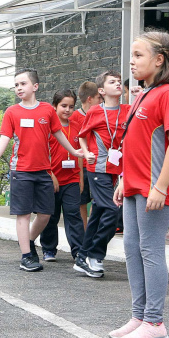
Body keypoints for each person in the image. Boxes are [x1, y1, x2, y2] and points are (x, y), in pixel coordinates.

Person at [109, 32, 169, 338]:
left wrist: (161, 186)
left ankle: (155, 321)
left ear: (159, 60)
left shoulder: (168, 94)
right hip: (135, 185)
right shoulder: (143, 94)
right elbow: (136, 142)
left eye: (139, 55)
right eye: (132, 55)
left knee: (151, 251)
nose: (132, 61)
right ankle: (139, 316)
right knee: (132, 250)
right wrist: (125, 178)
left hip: (154, 188)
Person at [0, 69, 83, 271]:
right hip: (21, 171)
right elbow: (4, 138)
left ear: (35, 86)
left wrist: (75, 151)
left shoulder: (47, 110)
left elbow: (58, 134)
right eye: (16, 85)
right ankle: (27, 255)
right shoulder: (12, 112)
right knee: (24, 215)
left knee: (45, 214)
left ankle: (26, 242)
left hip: (44, 171)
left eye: (23, 84)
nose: (19, 88)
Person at [75, 70, 130, 277]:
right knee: (113, 210)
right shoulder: (95, 112)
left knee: (98, 213)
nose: (117, 84)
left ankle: (82, 257)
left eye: (118, 81)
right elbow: (82, 136)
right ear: (101, 90)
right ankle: (95, 254)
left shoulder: (128, 110)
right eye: (112, 82)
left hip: (117, 169)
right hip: (97, 167)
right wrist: (87, 152)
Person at [38, 89, 85, 262]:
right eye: (63, 106)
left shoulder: (77, 126)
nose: (67, 110)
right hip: (52, 179)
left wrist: (80, 178)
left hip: (72, 179)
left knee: (73, 214)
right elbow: (42, 153)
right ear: (54, 106)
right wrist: (50, 175)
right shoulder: (48, 127)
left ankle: (78, 251)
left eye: (71, 106)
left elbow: (79, 152)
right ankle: (49, 249)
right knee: (51, 215)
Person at [71, 81, 100, 229]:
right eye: (98, 98)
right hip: (81, 165)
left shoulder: (99, 115)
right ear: (90, 99)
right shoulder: (74, 117)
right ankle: (84, 231)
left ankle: (92, 229)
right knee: (82, 200)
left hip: (96, 164)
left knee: (97, 199)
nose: (101, 101)